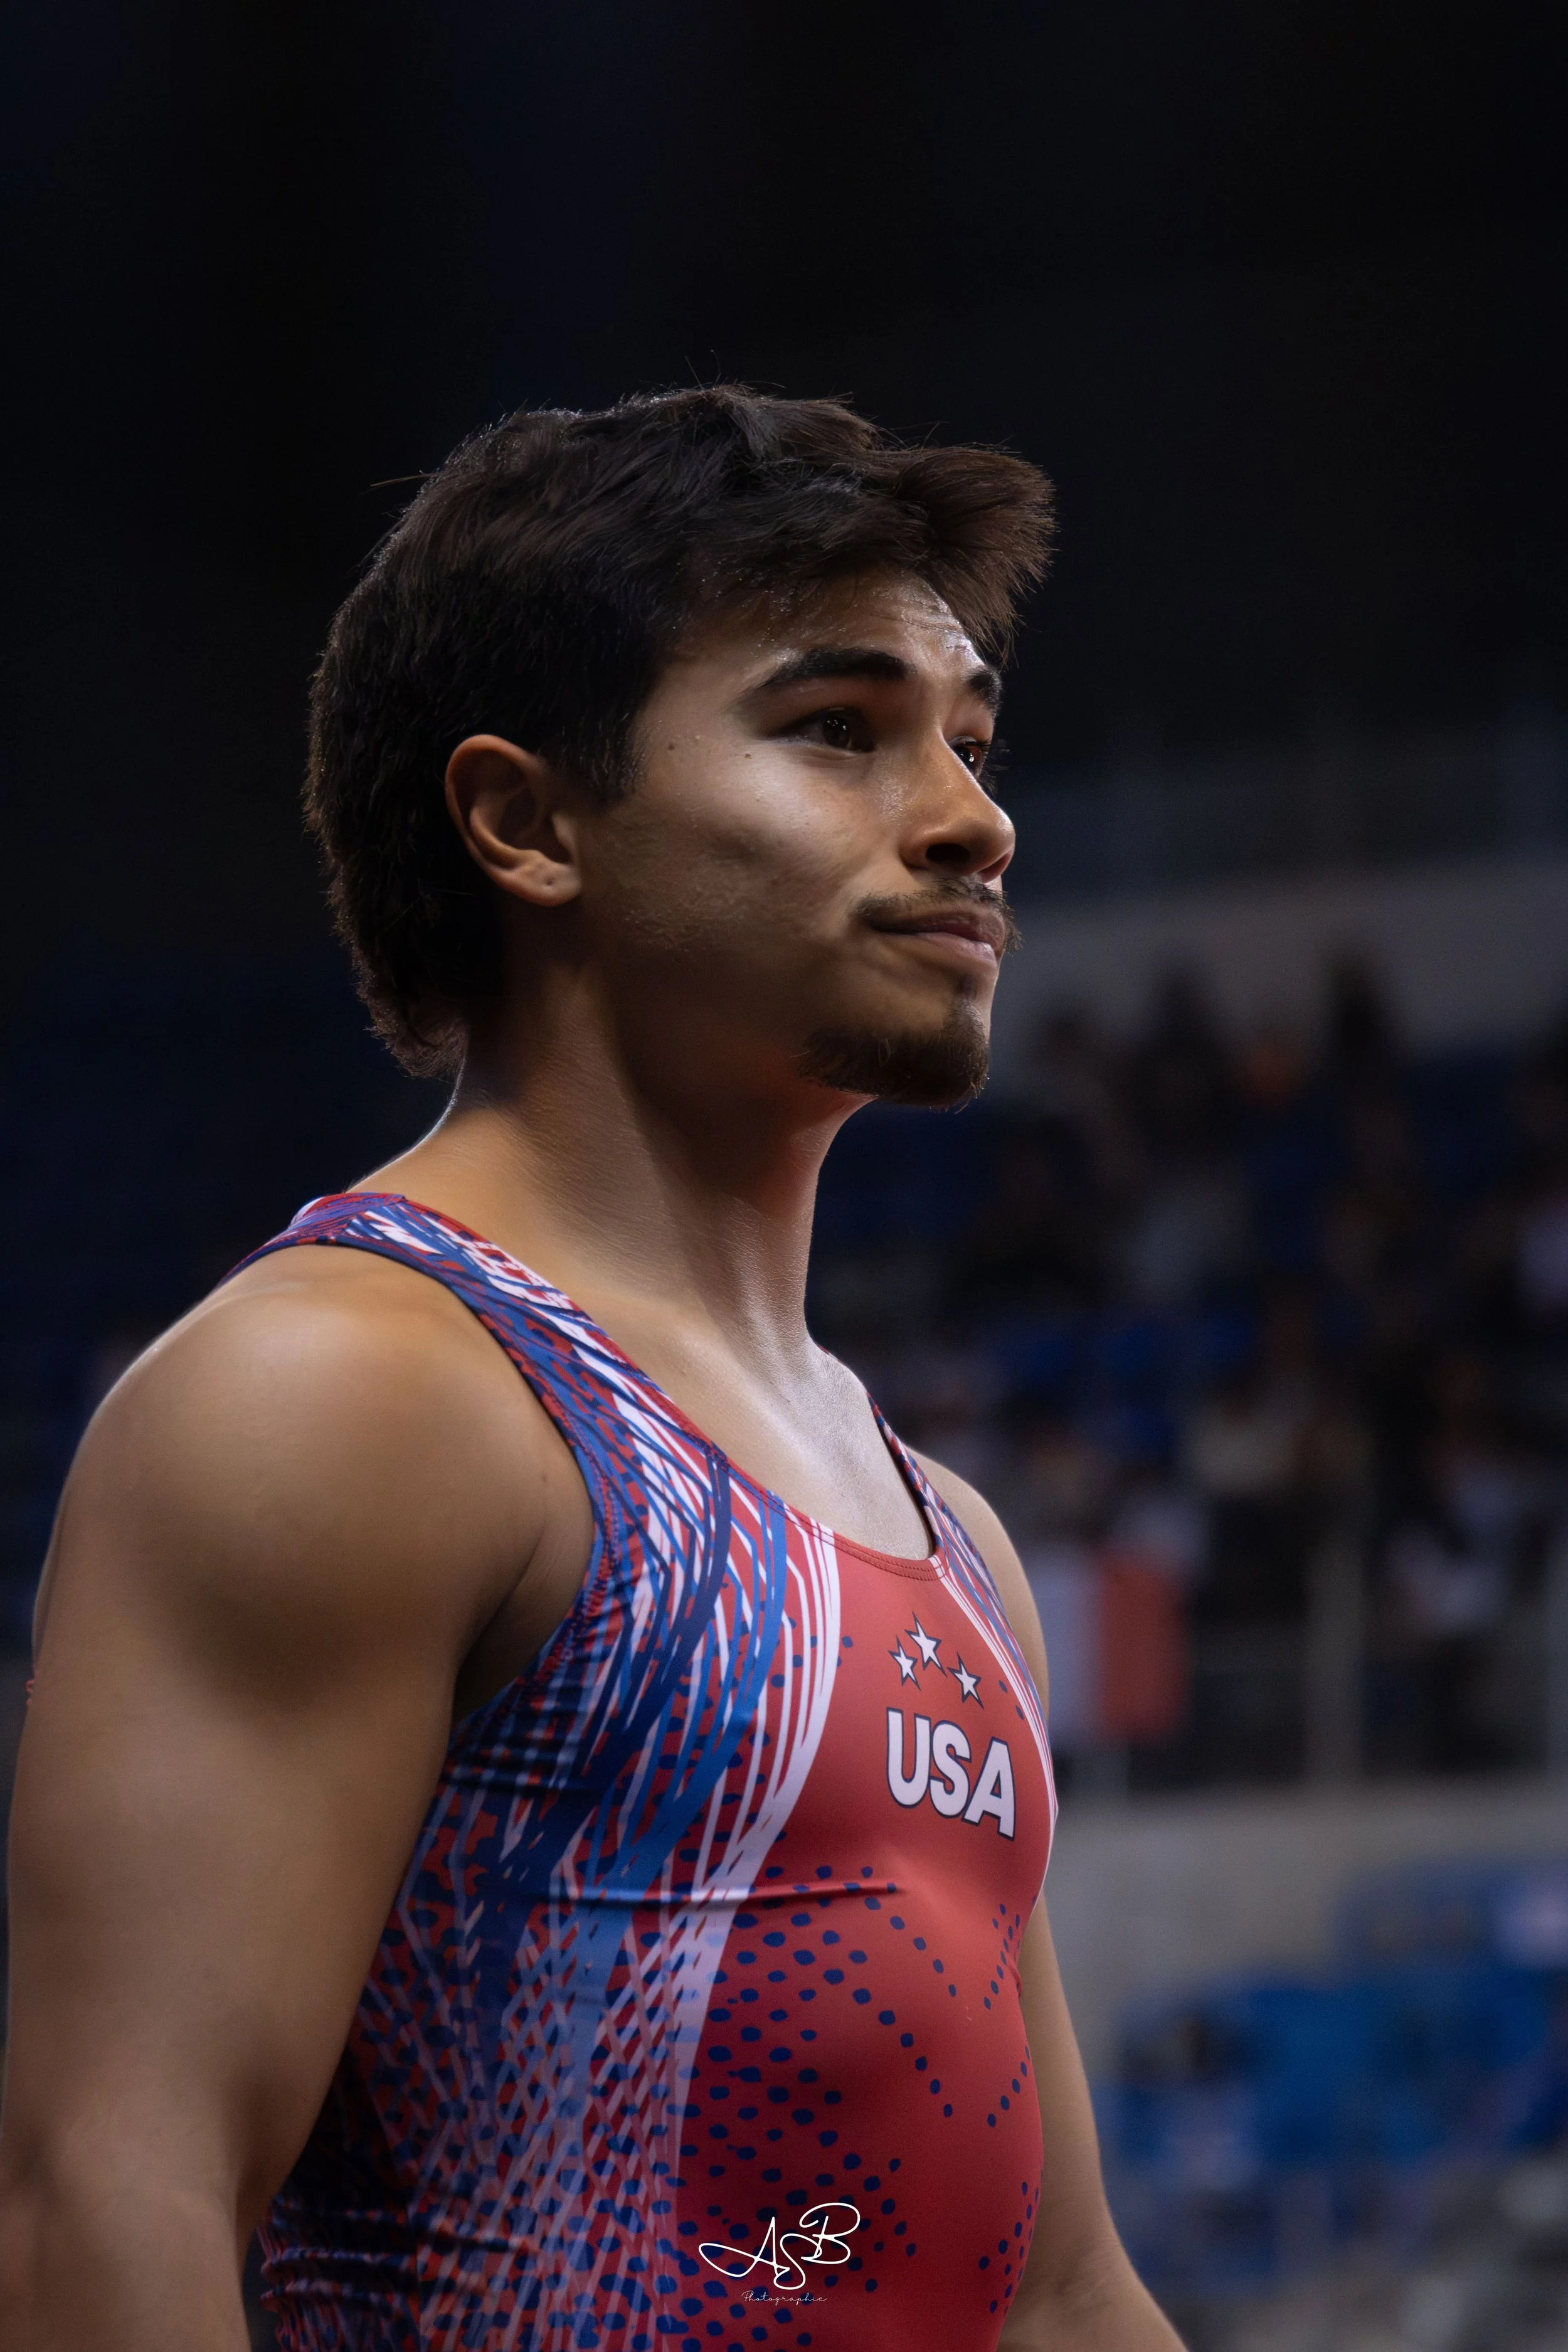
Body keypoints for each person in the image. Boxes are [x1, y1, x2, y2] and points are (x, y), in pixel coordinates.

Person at [0, 389, 1182, 2352]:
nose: (975, 815)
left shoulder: (944, 1534)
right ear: (525, 820)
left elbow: (1055, 2292)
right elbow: (110, 2200)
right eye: (838, 731)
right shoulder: (349, 1396)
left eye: (968, 740)